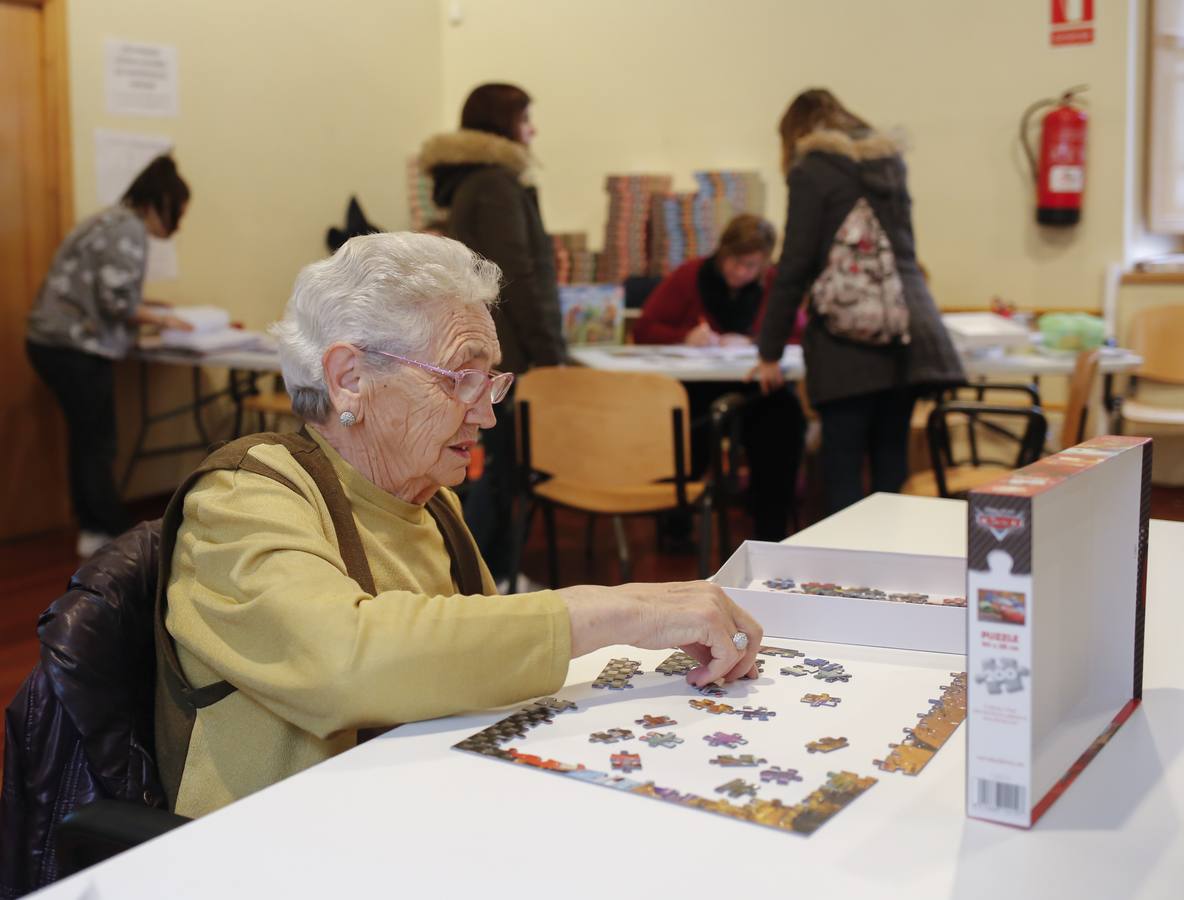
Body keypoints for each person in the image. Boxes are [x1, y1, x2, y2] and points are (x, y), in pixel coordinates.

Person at [157, 232, 762, 818]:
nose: (486, 414)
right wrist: (623, 611)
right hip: (267, 857)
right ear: (349, 378)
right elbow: (344, 659)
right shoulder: (241, 497)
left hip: (419, 821)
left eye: (490, 380)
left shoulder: (433, 503)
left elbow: (476, 665)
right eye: (458, 378)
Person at [753, 89, 963, 514]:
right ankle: (893, 570)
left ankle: (847, 578)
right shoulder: (889, 163)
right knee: (891, 464)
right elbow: (904, 255)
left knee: (843, 469)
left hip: (844, 344)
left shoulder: (812, 170)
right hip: (906, 335)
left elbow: (794, 265)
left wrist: (769, 352)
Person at [418, 83, 566, 590]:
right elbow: (518, 277)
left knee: (499, 466)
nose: (533, 130)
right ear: (505, 123)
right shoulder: (497, 185)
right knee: (504, 471)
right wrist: (551, 356)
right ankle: (485, 579)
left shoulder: (472, 182)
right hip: (512, 354)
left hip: (494, 349)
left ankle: (491, 576)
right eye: (526, 118)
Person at [25, 155, 193, 557]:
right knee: (99, 442)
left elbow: (100, 289)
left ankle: (93, 527)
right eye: (178, 215)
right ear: (161, 204)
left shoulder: (108, 221)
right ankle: (111, 530)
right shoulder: (129, 231)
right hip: (74, 347)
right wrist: (165, 320)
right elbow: (115, 302)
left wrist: (150, 303)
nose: (177, 226)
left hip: (50, 342)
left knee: (87, 438)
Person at [634, 215, 805, 542]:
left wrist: (757, 343)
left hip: (756, 390)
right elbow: (644, 329)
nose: (740, 272)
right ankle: (676, 524)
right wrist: (685, 337)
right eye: (734, 261)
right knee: (682, 426)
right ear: (722, 252)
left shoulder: (774, 285)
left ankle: (770, 533)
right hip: (697, 390)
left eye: (751, 265)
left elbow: (799, 333)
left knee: (785, 420)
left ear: (765, 263)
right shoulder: (689, 276)